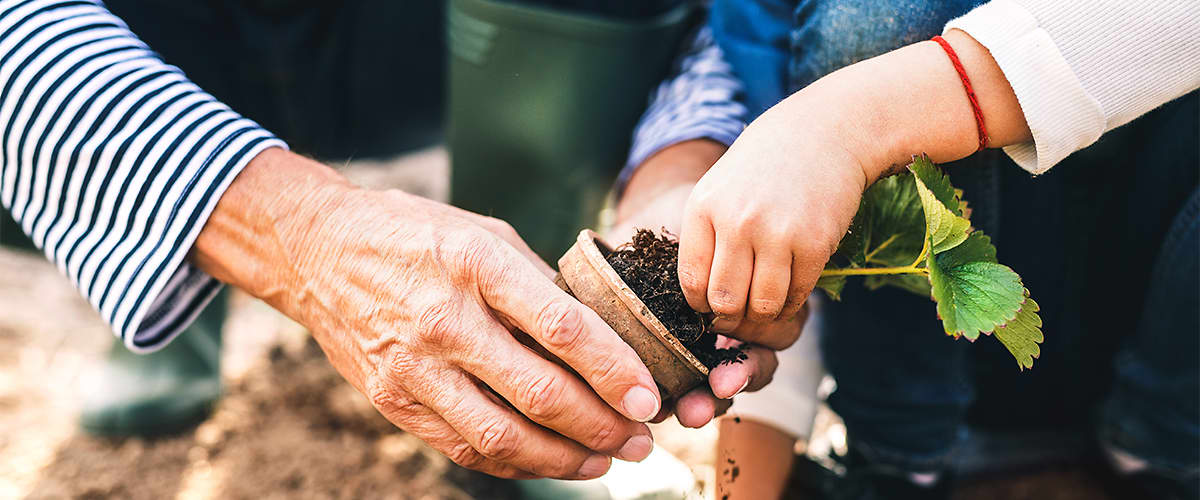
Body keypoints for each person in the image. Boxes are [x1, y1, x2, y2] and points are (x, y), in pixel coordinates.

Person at [0, 0, 794, 480]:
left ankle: (528, 333)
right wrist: (303, 232)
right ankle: (170, 279)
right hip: (144, 45)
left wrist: (678, 164)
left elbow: (730, 19)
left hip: (432, 45)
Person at [611, 0, 1197, 497]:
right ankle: (898, 461)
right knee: (878, 18)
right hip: (911, 385)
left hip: (1158, 298)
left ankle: (1163, 450)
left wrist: (854, 121)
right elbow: (762, 107)